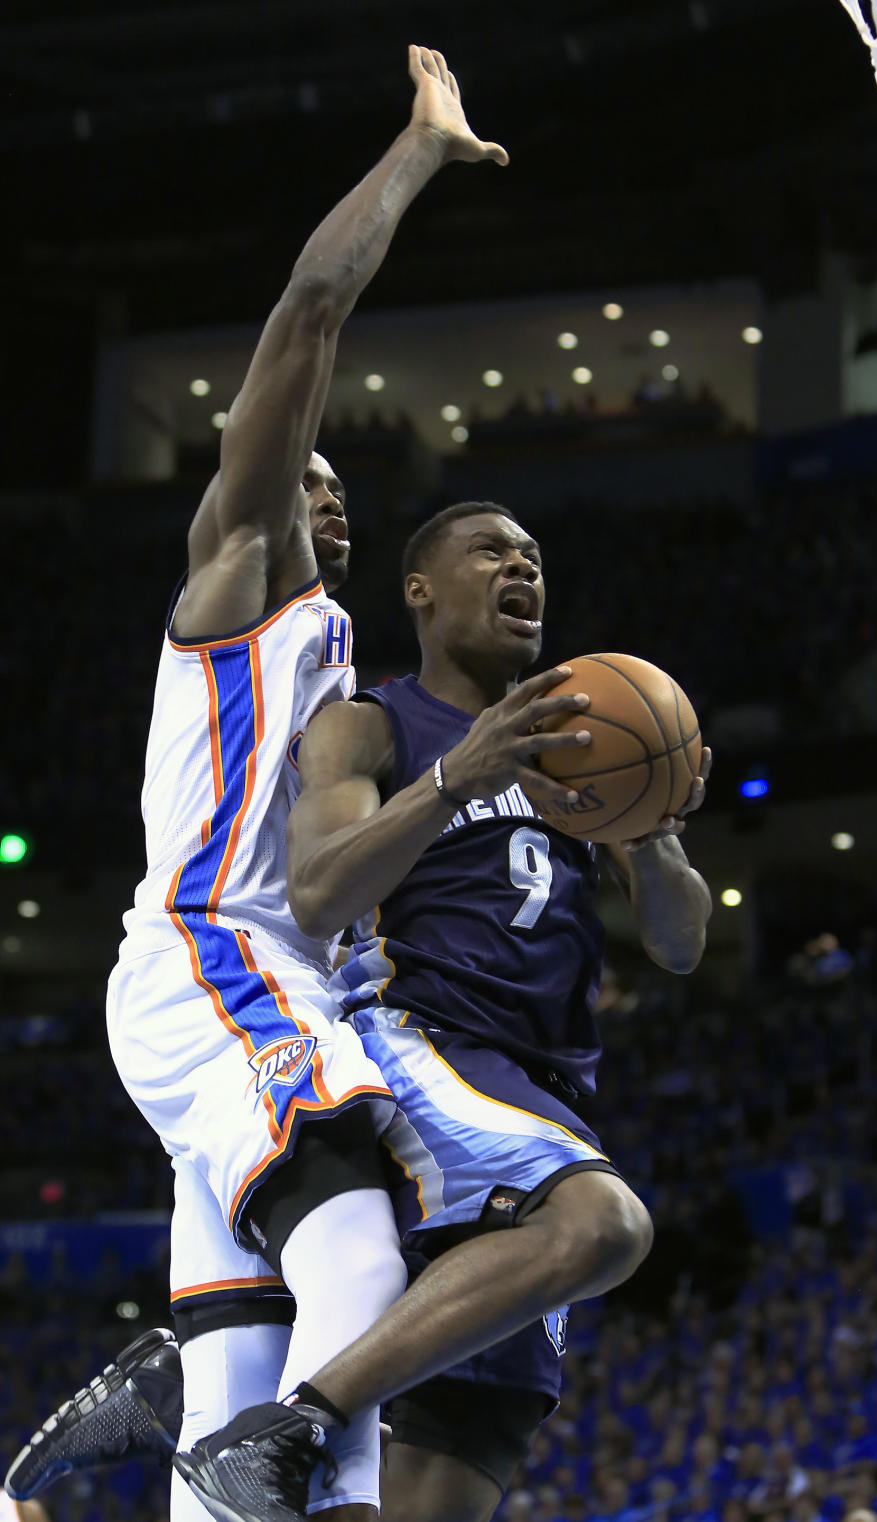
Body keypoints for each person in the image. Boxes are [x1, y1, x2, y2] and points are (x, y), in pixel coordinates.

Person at [5, 43, 513, 1522]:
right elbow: (311, 309)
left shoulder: (344, 674)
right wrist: (418, 152)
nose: (330, 488)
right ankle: (204, 1413)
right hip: (220, 961)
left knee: (256, 1377)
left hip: (264, 989)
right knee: (356, 1255)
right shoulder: (238, 590)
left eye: (344, 485)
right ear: (246, 488)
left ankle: (143, 1433)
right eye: (305, 474)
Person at [171, 499, 711, 1522]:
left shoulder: (584, 754)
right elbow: (320, 891)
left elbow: (680, 947)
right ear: (421, 589)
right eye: (493, 552)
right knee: (603, 1224)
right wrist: (459, 777)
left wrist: (656, 830)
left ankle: (270, 1412)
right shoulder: (376, 722)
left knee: (453, 1472)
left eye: (535, 557)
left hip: (544, 1094)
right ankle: (289, 1423)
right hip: (426, 1036)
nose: (522, 568)